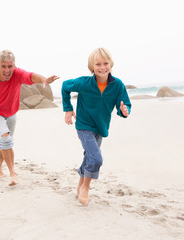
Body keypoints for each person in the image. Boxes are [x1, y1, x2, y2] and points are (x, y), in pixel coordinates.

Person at [0, 49, 59, 186]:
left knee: (6, 141)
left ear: (14, 65)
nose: (7, 70)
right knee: (6, 139)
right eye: (3, 66)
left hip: (11, 112)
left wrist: (44, 79)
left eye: (10, 66)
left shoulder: (17, 74)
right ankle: (12, 173)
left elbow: (31, 76)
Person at [61, 48, 131, 206]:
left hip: (101, 128)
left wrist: (124, 110)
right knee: (96, 159)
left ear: (111, 64)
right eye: (98, 64)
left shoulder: (117, 85)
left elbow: (124, 103)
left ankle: (79, 187)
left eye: (105, 63)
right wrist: (68, 109)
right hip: (84, 126)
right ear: (92, 66)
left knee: (89, 157)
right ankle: (86, 187)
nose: (102, 67)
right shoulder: (84, 83)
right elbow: (65, 87)